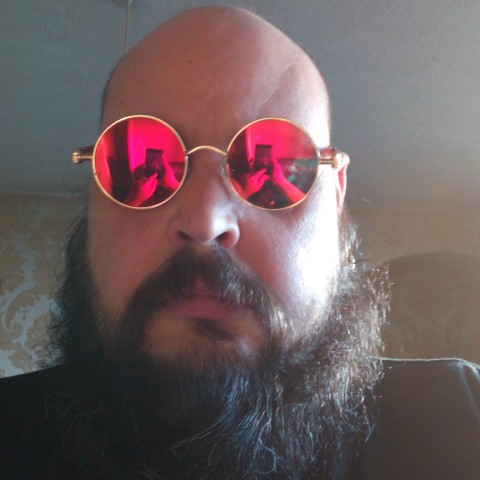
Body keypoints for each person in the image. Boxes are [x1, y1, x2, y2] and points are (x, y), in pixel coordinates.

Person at [1, 6, 479, 479]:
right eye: (134, 164)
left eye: (275, 167)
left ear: (335, 199)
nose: (205, 221)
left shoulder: (459, 419)